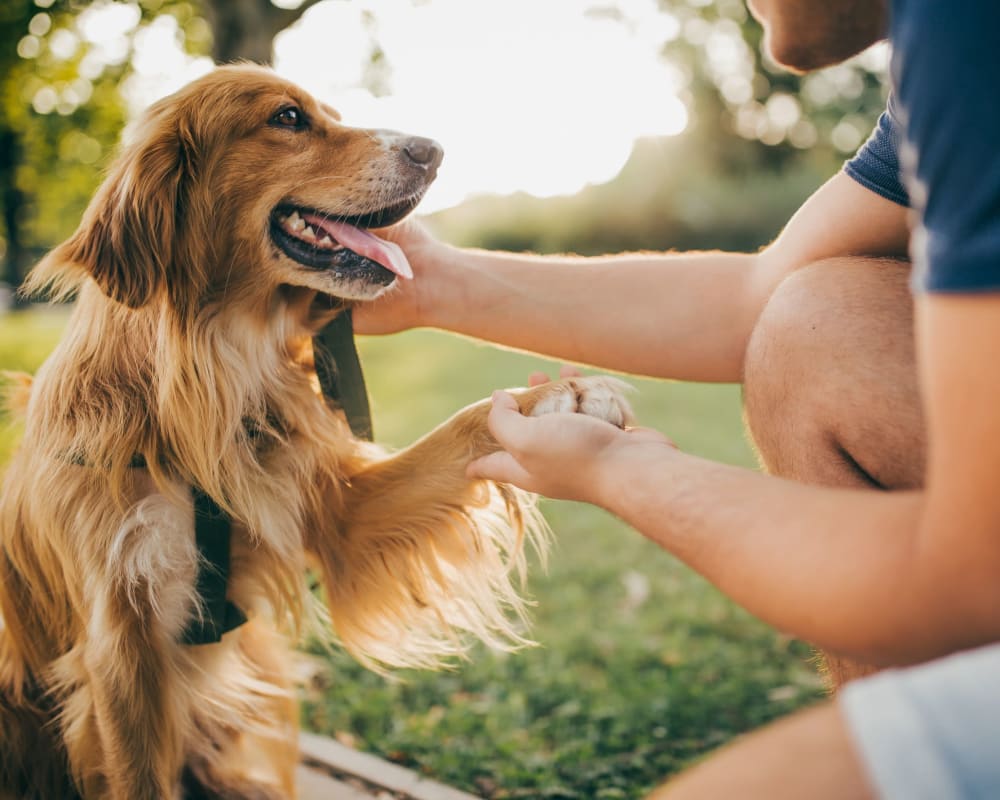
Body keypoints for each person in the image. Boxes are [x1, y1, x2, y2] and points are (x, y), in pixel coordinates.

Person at [357, 0, 1000, 796]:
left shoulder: (965, 28)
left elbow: (968, 576)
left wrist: (621, 471)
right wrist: (433, 282)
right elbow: (757, 298)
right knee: (816, 322)